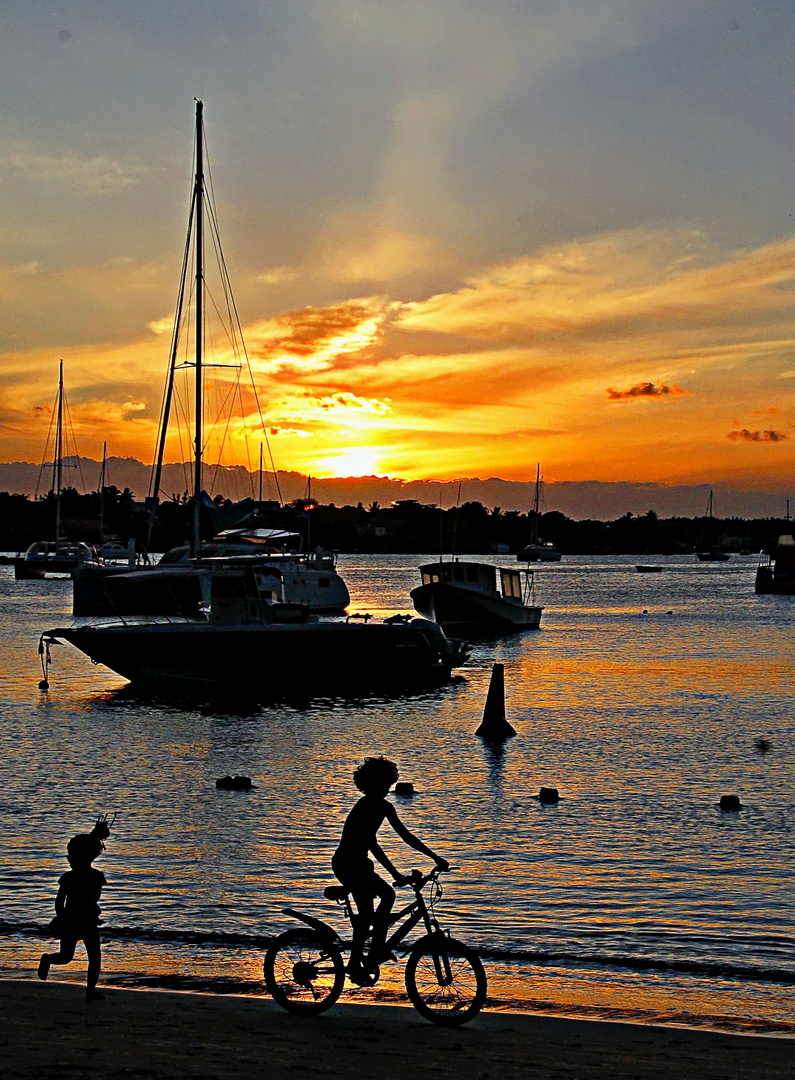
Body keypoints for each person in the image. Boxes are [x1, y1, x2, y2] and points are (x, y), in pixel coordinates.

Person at [332, 756, 448, 985]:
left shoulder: (385, 807)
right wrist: (395, 874)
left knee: (387, 895)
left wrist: (435, 857)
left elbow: (406, 836)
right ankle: (356, 963)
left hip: (362, 865)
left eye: (388, 785)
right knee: (368, 914)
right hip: (347, 864)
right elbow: (371, 843)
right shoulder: (364, 806)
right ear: (370, 784)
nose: (386, 790)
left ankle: (376, 950)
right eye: (382, 785)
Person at [38, 814, 114, 1002]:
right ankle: (48, 960)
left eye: (71, 857)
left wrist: (62, 916)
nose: (69, 860)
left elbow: (60, 901)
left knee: (84, 956)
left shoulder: (76, 877)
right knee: (72, 957)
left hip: (82, 920)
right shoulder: (91, 876)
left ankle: (90, 991)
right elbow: (93, 899)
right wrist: (63, 917)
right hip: (77, 919)